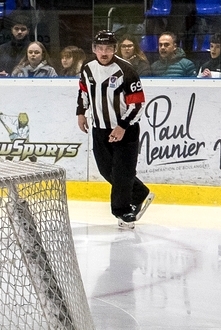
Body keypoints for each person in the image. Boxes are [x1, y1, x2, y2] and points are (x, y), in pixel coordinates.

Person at [77, 30, 154, 229]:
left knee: (122, 172)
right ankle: (138, 192)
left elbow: (137, 104)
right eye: (100, 48)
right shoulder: (87, 68)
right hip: (99, 129)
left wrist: (122, 127)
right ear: (94, 49)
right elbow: (83, 90)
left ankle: (122, 210)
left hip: (126, 131)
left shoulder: (127, 70)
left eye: (108, 48)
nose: (104, 52)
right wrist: (81, 112)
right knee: (106, 170)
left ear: (115, 49)